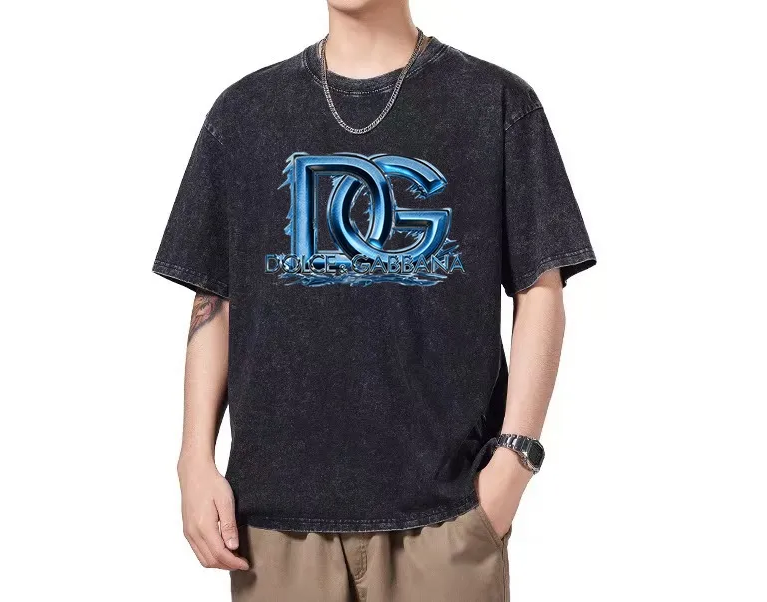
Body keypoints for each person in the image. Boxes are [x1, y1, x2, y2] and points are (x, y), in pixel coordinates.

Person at [152, 0, 595, 599]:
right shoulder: (246, 112)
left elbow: (540, 287)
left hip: (447, 513)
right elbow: (216, 298)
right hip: (274, 520)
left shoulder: (494, 102)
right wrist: (194, 460)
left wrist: (514, 461)